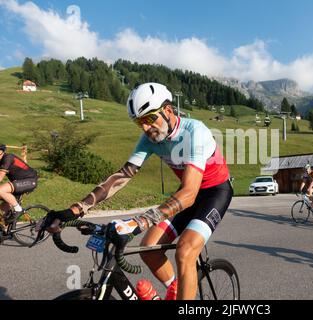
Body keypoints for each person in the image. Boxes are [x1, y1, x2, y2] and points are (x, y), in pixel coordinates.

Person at [42, 82, 233, 300]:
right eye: (139, 123)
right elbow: (122, 175)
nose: (144, 128)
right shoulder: (150, 139)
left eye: (148, 119)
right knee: (149, 248)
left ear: (168, 111)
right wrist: (76, 209)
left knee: (185, 251)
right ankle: (177, 289)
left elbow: (189, 193)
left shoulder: (195, 131)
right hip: (187, 196)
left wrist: (141, 221)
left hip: (214, 193)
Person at [0, 144, 38, 223]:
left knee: (1, 190)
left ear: (1, 152)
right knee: (2, 212)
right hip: (18, 183)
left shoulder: (7, 158)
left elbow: (0, 177)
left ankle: (18, 209)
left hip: (29, 180)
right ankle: (5, 231)